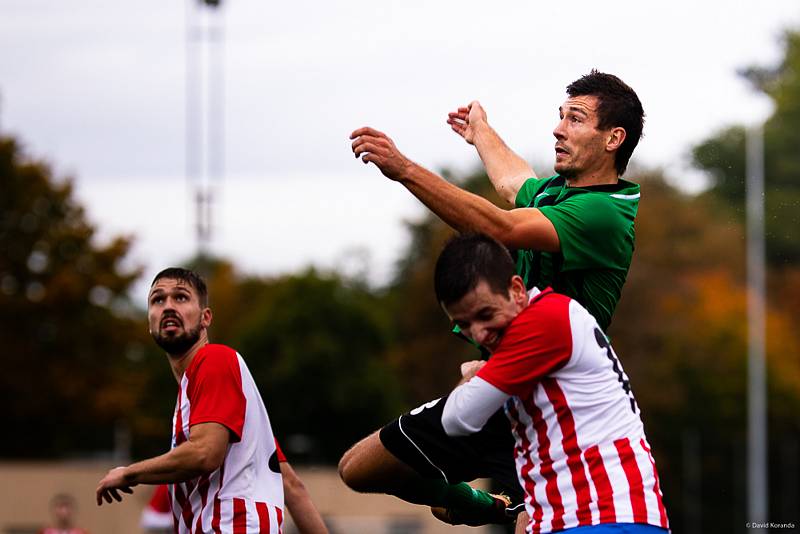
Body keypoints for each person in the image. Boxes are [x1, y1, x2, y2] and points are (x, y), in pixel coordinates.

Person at [341, 70, 646, 525]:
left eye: (576, 119)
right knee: (359, 468)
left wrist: (404, 169)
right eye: (560, 116)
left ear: (613, 139)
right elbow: (512, 182)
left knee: (537, 522)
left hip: (558, 404)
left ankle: (512, 507)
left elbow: (501, 227)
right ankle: (482, 506)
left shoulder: (606, 213)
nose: (559, 128)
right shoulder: (557, 194)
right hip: (500, 384)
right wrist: (481, 132)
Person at [437, 233, 669, 533]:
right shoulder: (542, 326)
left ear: (517, 290)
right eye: (465, 324)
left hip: (605, 518)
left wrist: (472, 378)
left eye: (485, 314)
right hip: (581, 520)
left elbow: (456, 420)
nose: (479, 334)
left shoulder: (543, 321)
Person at [96, 268, 284, 533]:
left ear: (206, 318)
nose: (168, 306)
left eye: (181, 298)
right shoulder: (205, 394)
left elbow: (204, 453)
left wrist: (129, 473)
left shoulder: (215, 360)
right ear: (150, 323)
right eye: (157, 300)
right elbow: (294, 488)